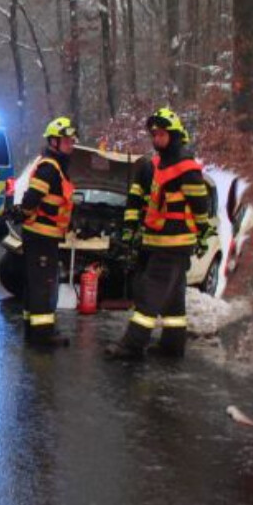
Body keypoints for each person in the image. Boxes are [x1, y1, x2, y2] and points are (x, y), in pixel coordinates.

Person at [106, 107, 212, 360]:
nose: (156, 140)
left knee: (149, 296)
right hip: (158, 242)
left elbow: (200, 205)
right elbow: (137, 200)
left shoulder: (186, 168)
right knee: (173, 299)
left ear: (174, 136)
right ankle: (172, 346)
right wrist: (131, 231)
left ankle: (131, 346)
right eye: (154, 135)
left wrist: (203, 232)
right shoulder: (154, 165)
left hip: (173, 243)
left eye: (162, 135)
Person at [16, 116, 77, 347]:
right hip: (42, 236)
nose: (71, 145)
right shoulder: (50, 168)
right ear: (54, 142)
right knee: (43, 284)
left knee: (36, 282)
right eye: (67, 141)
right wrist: (24, 212)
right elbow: (33, 197)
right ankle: (43, 335)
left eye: (72, 141)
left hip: (43, 235)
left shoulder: (55, 167)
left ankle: (34, 329)